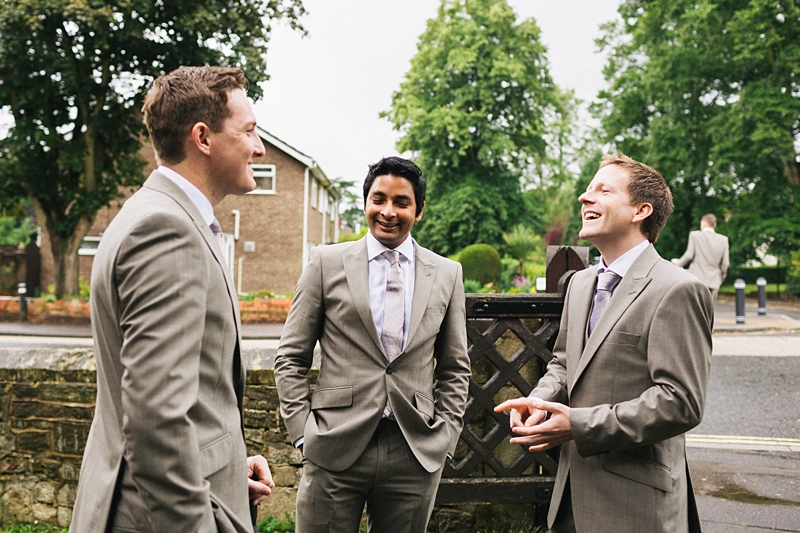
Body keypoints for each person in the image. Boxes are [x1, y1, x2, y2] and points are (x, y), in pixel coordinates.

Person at [70, 66, 275, 533]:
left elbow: (189, 395)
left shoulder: (156, 213)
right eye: (249, 131)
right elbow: (156, 420)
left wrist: (227, 464)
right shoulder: (166, 230)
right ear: (202, 137)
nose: (260, 148)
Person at [495, 154, 713, 533]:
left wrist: (578, 425)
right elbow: (564, 363)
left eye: (603, 190)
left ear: (640, 211)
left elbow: (680, 402)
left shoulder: (677, 289)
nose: (584, 197)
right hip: (569, 500)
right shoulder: (581, 283)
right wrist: (539, 401)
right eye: (587, 188)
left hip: (636, 505)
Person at [274, 156, 471, 533]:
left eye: (401, 202)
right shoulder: (325, 263)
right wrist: (303, 434)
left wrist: (444, 436)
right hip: (334, 444)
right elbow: (290, 357)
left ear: (419, 210)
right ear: (365, 202)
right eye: (378, 199)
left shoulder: (447, 273)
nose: (388, 211)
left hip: (414, 449)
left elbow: (455, 367)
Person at [672, 213, 730, 300]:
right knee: (709, 311)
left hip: (697, 279)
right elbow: (725, 263)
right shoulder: (723, 240)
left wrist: (678, 264)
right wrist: (720, 278)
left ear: (703, 223)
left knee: (694, 310)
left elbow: (689, 255)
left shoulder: (695, 235)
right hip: (714, 280)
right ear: (714, 225)